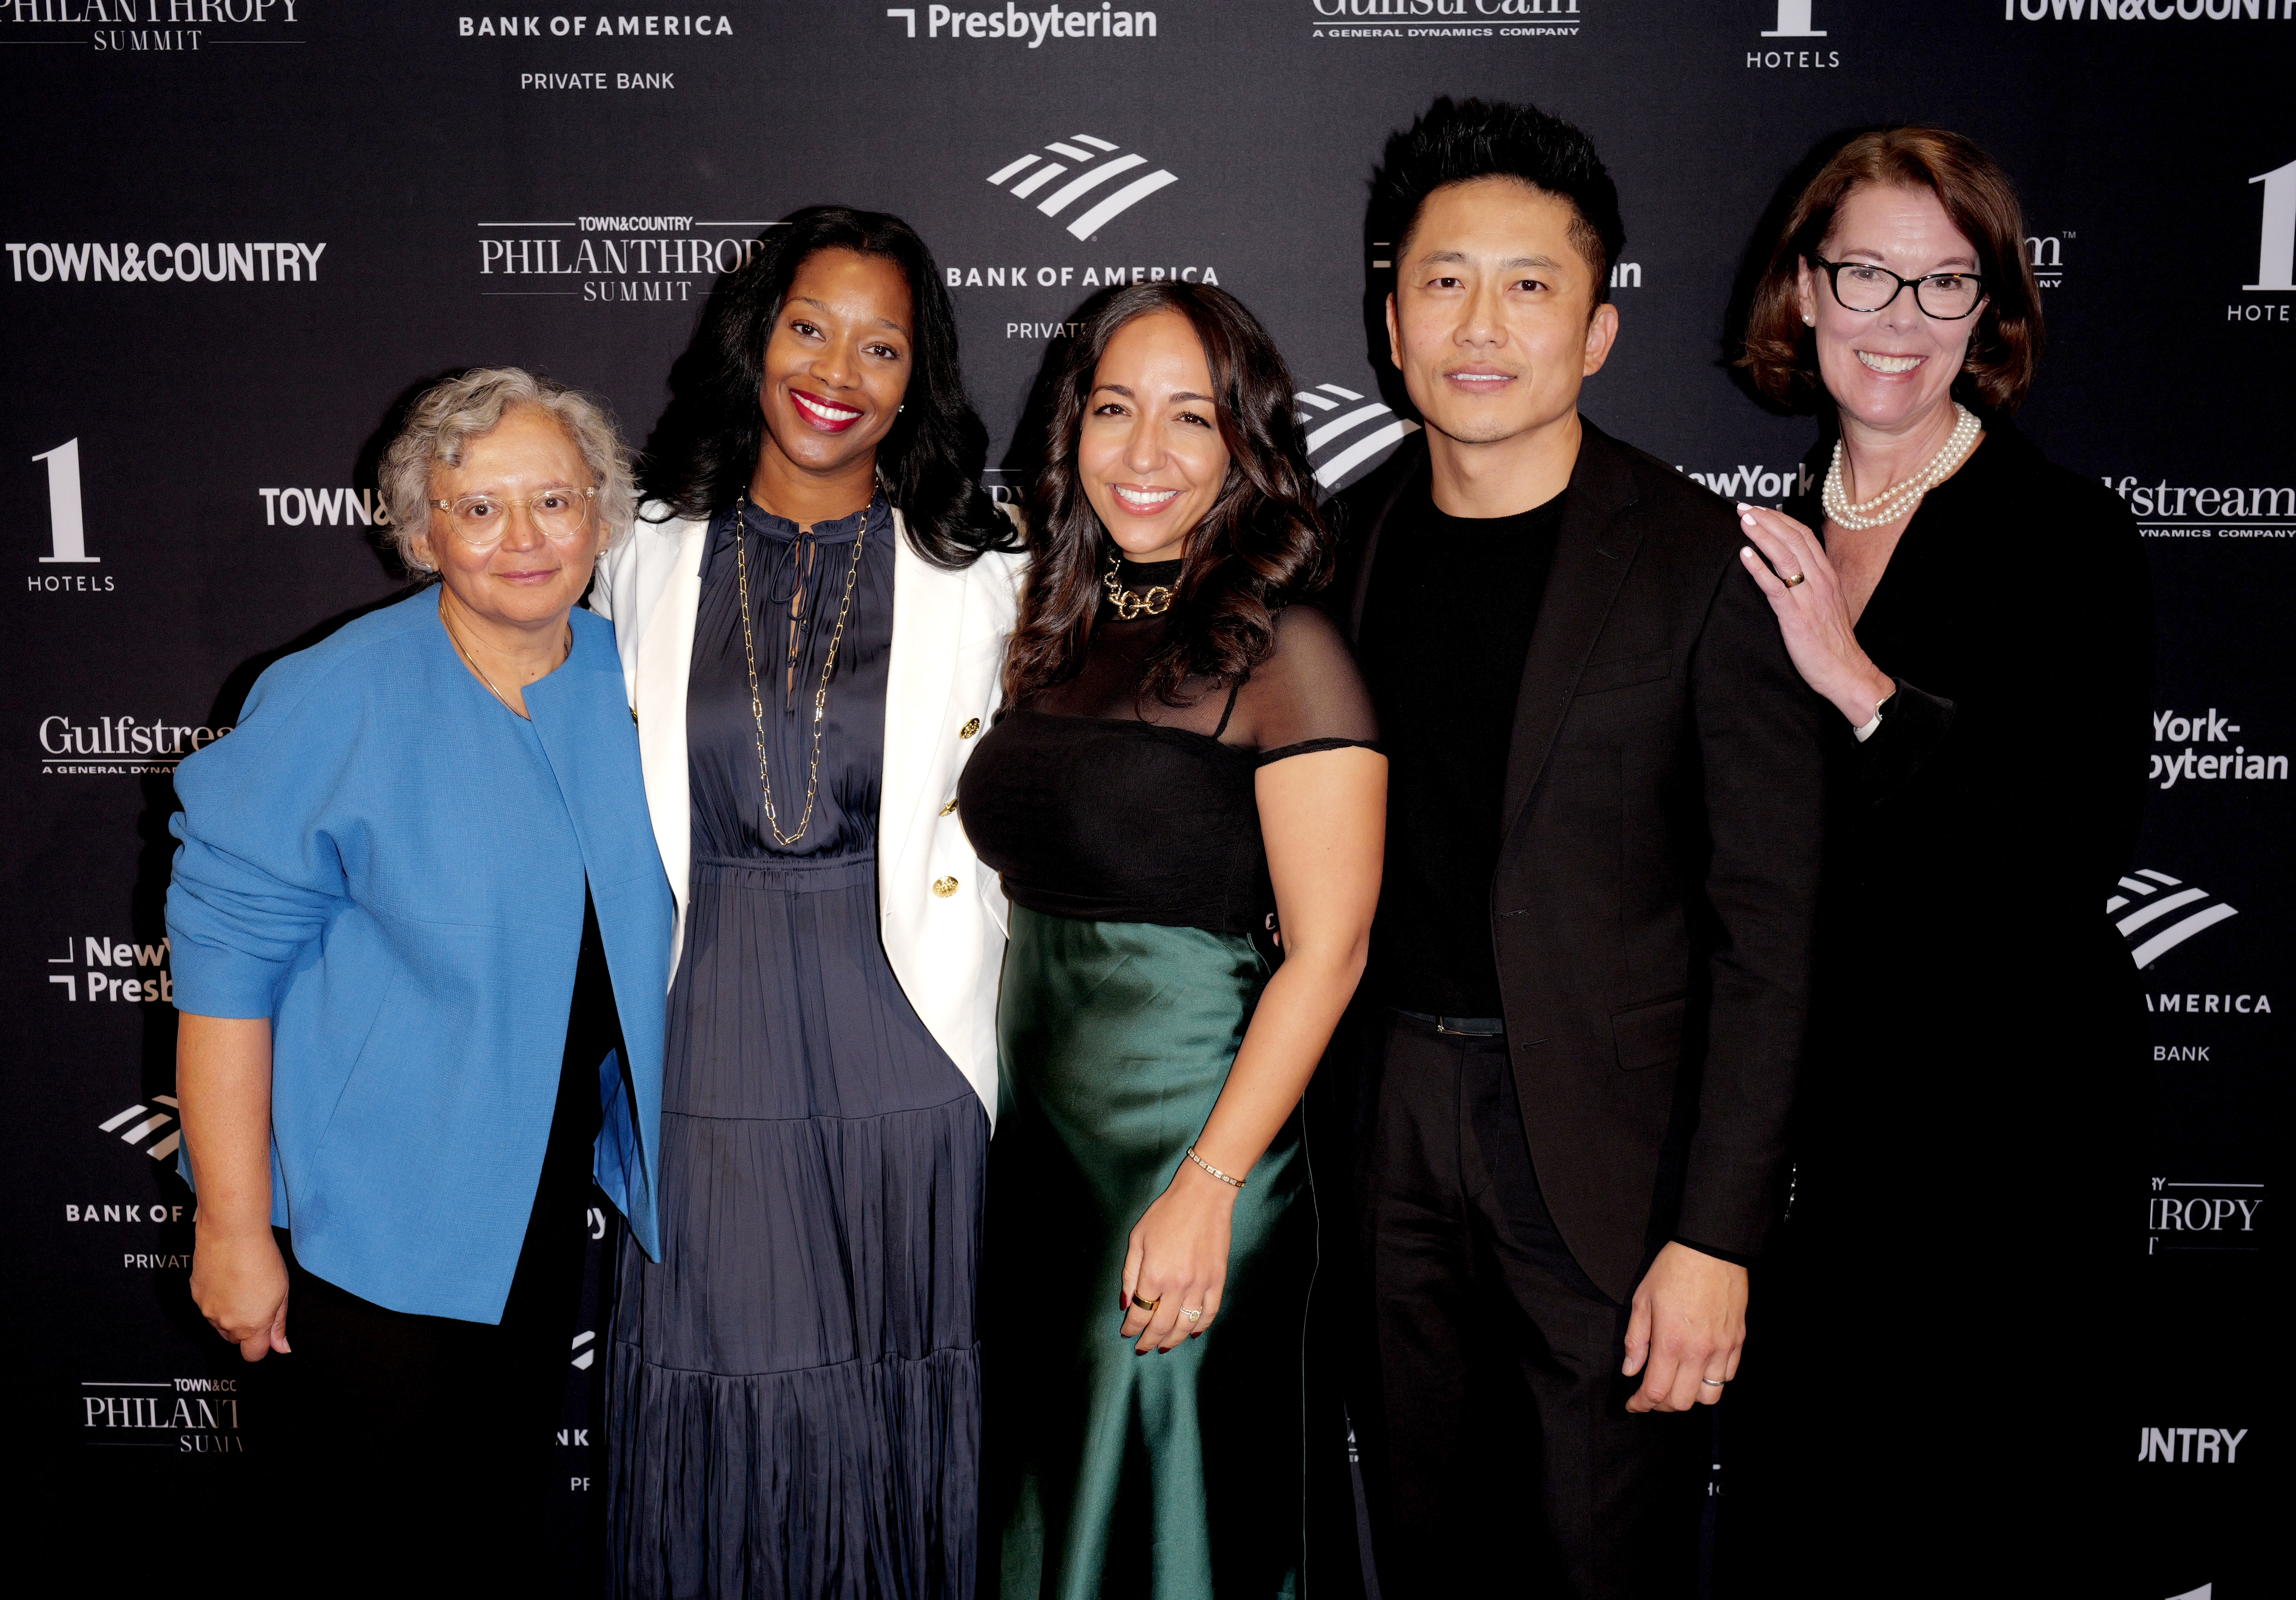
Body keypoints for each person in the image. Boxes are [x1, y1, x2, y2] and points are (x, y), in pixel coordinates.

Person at [1322, 98, 1827, 1597]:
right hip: (1386, 1121)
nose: (1483, 323)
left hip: (1612, 1163)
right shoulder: (1338, 550)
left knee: (1604, 1558)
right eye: (1444, 280)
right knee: (1424, 1546)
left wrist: (1718, 1236)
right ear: (1393, 322)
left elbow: (1772, 931)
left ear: (1599, 330)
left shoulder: (1697, 562)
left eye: (1531, 285)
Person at [1719, 128, 2152, 1595]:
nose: (1897, 321)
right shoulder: (1766, 547)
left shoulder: (2069, 538)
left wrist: (1866, 688)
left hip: (2006, 1149)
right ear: (1803, 290)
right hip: (1826, 1153)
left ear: (1992, 313)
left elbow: (2074, 844)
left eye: (1943, 283)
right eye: (1864, 275)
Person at [168, 367, 673, 1595]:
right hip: (361, 1238)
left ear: (602, 516)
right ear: (418, 530)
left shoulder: (642, 685)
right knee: (360, 1556)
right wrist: (234, 1228)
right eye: (479, 507)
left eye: (554, 500)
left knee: (490, 1544)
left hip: (536, 1214)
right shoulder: (332, 697)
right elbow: (224, 978)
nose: (524, 538)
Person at [592, 207, 1024, 1600]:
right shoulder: (639, 548)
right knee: (744, 1403)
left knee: (918, 1403)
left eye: (882, 344)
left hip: (915, 1034)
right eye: (811, 327)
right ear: (757, 337)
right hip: (710, 1028)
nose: (839, 367)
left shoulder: (986, 566)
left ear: (919, 377)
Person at [958, 281, 1386, 1598]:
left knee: (1177, 1515)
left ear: (1245, 442)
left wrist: (1209, 1187)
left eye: (1190, 418)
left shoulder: (1286, 649)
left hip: (1197, 1153)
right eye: (1115, 409)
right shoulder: (1050, 627)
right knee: (1057, 1508)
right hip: (1043, 1168)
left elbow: (1332, 948)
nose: (1144, 454)